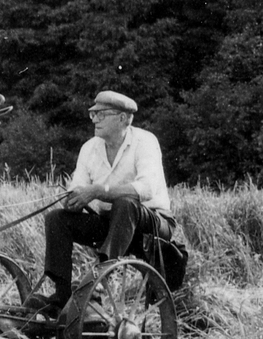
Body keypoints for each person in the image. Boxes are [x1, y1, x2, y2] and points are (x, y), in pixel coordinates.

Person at [26, 90, 175, 315]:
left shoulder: (145, 141)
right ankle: (62, 296)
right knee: (56, 219)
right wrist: (73, 199)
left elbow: (145, 189)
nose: (94, 119)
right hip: (112, 223)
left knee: (125, 203)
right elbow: (78, 185)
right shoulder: (89, 147)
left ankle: (98, 282)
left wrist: (98, 191)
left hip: (152, 223)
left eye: (101, 114)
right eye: (92, 114)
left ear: (123, 118)